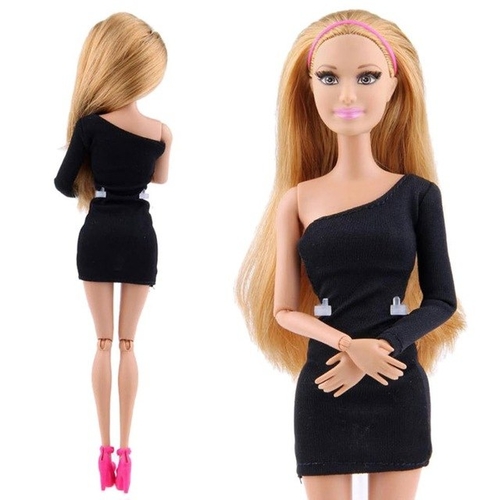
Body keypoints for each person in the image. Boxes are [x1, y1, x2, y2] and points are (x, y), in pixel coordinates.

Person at [236, 9, 465, 500]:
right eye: (328, 77)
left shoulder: (418, 195)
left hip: (396, 380)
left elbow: (443, 301)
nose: (346, 96)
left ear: (394, 85)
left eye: (366, 77)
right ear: (308, 86)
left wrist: (380, 347)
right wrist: (347, 346)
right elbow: (283, 310)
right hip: (326, 385)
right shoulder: (297, 200)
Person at [54, 12, 172, 493]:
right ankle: (127, 450)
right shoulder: (161, 131)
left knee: (103, 343)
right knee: (128, 344)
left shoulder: (89, 126)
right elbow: (160, 178)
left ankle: (105, 454)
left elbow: (63, 184)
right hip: (140, 234)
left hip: (99, 232)